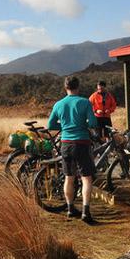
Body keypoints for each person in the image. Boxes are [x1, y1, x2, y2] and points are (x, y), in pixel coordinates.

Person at [48, 75, 99, 223]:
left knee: (69, 178)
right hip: (82, 143)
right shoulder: (85, 102)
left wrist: (64, 126)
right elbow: (93, 122)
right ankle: (86, 212)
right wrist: (83, 125)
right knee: (86, 178)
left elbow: (51, 125)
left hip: (66, 144)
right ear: (78, 87)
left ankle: (70, 209)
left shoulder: (58, 104)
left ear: (66, 87)